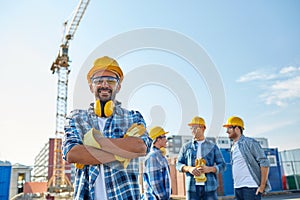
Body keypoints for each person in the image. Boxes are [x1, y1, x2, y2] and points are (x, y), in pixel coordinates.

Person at [62, 56, 152, 200]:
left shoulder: (133, 117)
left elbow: (141, 147)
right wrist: (123, 154)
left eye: (111, 81)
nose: (105, 85)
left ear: (119, 86)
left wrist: (93, 142)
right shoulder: (76, 118)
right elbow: (73, 154)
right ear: (91, 86)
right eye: (98, 81)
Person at [176, 116, 226, 200]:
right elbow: (178, 164)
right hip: (192, 188)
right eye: (191, 128)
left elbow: (223, 165)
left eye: (195, 127)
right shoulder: (186, 147)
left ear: (203, 128)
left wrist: (209, 169)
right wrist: (189, 168)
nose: (192, 130)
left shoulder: (212, 147)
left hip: (210, 188)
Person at [223, 116, 271, 200]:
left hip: (250, 187)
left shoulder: (249, 142)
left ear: (237, 128)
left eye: (229, 128)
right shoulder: (233, 146)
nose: (227, 131)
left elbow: (264, 163)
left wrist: (262, 186)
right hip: (238, 187)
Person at [142, 126, 171, 200]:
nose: (166, 140)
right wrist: (163, 197)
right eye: (164, 137)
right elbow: (155, 182)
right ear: (158, 139)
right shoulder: (153, 157)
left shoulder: (159, 155)